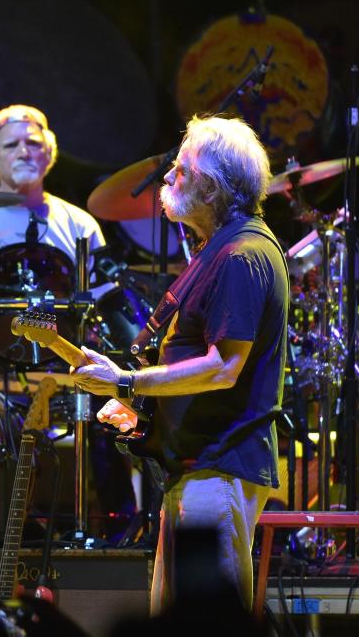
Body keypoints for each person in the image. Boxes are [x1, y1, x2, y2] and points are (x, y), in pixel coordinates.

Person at [71, 114, 288, 613]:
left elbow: (222, 368)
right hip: (196, 467)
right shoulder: (216, 252)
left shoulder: (242, 255)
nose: (167, 177)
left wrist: (126, 381)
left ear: (212, 187)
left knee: (208, 618)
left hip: (220, 468)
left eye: (181, 169)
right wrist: (142, 408)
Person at [0, 104, 111, 368]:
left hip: (58, 359)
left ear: (49, 153)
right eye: (11, 145)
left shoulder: (80, 224)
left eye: (33, 143)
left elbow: (103, 305)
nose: (24, 152)